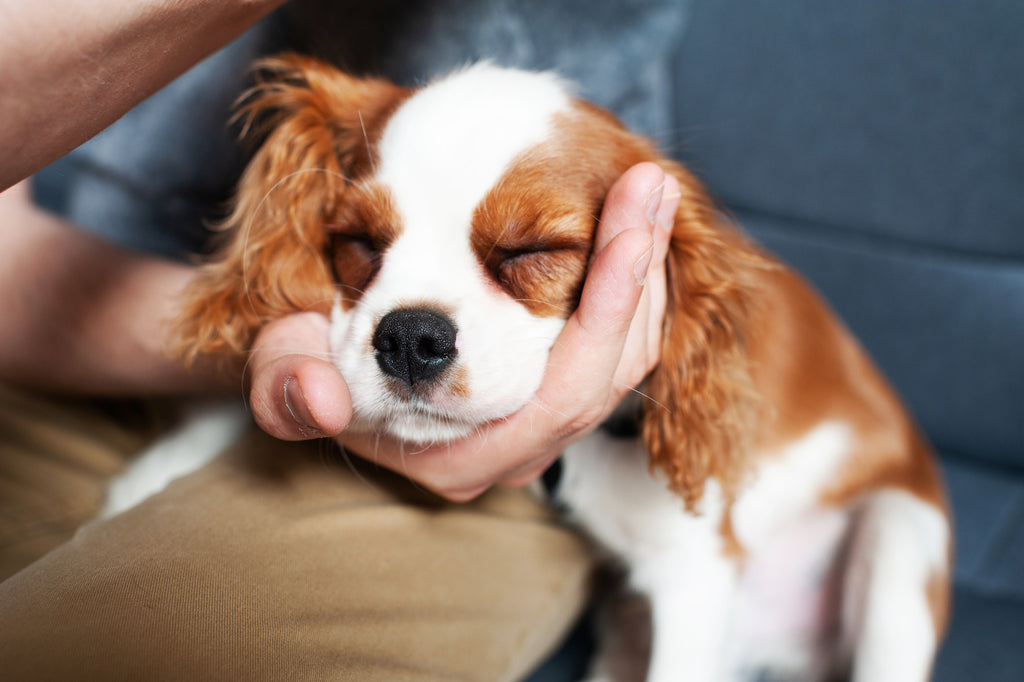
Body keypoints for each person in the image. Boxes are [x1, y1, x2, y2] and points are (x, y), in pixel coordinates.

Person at [0, 1, 685, 678]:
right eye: (363, 241)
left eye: (527, 249)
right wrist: (269, 332)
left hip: (518, 450)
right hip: (79, 336)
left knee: (116, 645)